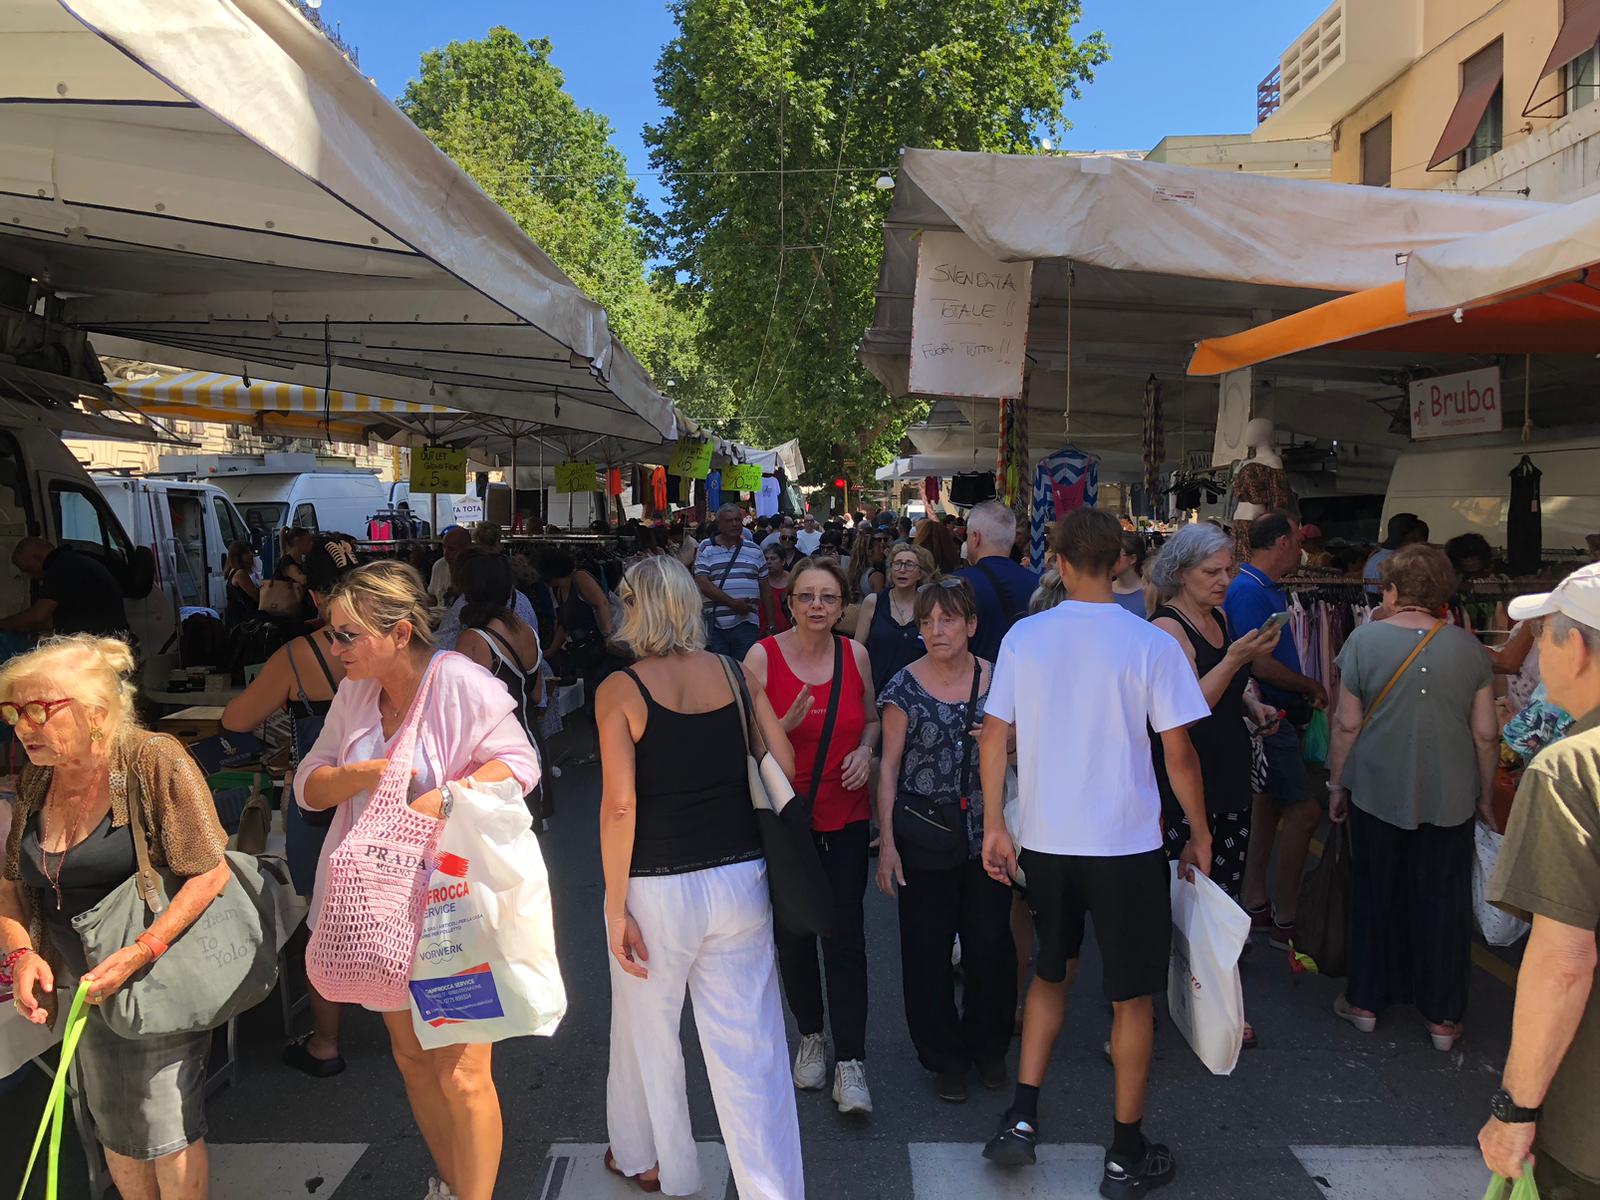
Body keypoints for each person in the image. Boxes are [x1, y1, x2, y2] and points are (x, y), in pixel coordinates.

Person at [978, 508, 1212, 1196]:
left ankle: (1021, 1117)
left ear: (1054, 559)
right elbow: (1179, 755)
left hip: (1047, 840)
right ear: (1119, 562)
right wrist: (1198, 830)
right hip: (1126, 843)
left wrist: (996, 822)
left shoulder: (1027, 637)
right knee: (1130, 1000)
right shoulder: (1150, 644)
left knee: (1050, 976)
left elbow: (994, 736)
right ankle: (1124, 1152)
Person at [295, 561, 540, 1200]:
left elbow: (520, 765)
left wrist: (450, 797)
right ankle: (454, 1184)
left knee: (461, 1070)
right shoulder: (353, 695)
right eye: (331, 633)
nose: (333, 647)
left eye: (347, 635)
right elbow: (309, 785)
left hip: (449, 906)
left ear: (400, 632)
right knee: (410, 1059)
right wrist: (366, 773)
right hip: (376, 907)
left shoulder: (457, 680)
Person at [596, 557, 804, 1198]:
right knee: (752, 1045)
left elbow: (620, 805)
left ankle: (663, 1166)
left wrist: (613, 905)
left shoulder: (620, 689)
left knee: (649, 1030)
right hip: (740, 875)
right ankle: (770, 1188)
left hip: (657, 883)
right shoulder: (736, 675)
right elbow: (783, 764)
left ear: (636, 607)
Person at [0, 635, 232, 1199]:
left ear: (96, 713)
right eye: (12, 711)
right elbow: (10, 883)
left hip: (152, 974)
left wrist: (142, 949)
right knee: (113, 1123)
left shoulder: (154, 758)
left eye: (38, 710)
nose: (22, 726)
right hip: (80, 982)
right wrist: (22, 952)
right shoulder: (36, 778)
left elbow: (210, 871)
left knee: (163, 1127)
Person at [1325, 544, 1497, 1052]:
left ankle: (1365, 1003)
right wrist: (1486, 797)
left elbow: (1346, 723)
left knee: (1375, 892)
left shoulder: (1363, 640)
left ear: (1392, 590)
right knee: (1444, 901)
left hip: (1376, 788)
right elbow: (1486, 734)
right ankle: (1443, 1018)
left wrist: (1337, 785)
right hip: (1451, 794)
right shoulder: (1468, 647)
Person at [1479, 563, 1600, 1199]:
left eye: (1544, 635)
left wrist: (1515, 1110)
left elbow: (1563, 961)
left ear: (1575, 647)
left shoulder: (1571, 767)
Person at [744, 556, 880, 1115]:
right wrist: (787, 727)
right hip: (786, 819)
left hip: (846, 815)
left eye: (828, 596)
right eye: (807, 596)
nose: (818, 606)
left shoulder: (856, 655)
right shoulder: (761, 657)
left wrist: (867, 750)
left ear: (843, 603)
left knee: (845, 935)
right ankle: (811, 1035)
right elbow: (747, 744)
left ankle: (851, 1059)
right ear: (790, 602)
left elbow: (870, 717)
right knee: (796, 932)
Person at [221, 534, 358, 1078]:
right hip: (387, 798)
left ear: (318, 593)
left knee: (323, 923)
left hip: (320, 804)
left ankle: (325, 1042)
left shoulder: (301, 654)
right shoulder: (394, 643)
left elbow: (236, 720)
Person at [875, 578, 1014, 1102]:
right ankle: (944, 1058)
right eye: (928, 621)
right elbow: (887, 768)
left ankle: (989, 1047)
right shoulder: (903, 686)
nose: (937, 630)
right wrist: (886, 843)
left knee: (990, 946)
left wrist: (1009, 740)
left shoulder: (998, 681)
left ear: (972, 626)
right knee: (927, 952)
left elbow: (1026, 751)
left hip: (988, 835)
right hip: (925, 837)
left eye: (948, 620)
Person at [1148, 523, 1280, 1048]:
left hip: (1227, 765)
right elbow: (1186, 708)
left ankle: (1213, 997)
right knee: (1182, 889)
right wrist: (1235, 660)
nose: (1224, 581)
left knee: (1220, 891)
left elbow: (1230, 691)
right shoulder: (1166, 629)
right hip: (1186, 773)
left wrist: (1253, 703)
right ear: (1180, 573)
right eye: (1212, 572)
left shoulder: (1220, 617)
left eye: (1227, 570)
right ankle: (1172, 995)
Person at [1223, 511, 1328, 950]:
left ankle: (1256, 901)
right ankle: (1286, 916)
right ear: (1282, 541)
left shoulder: (1263, 588)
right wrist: (1310, 685)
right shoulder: (1248, 590)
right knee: (1304, 813)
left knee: (1266, 807)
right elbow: (1260, 662)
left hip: (1277, 715)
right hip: (1272, 717)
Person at [453, 550, 550, 826]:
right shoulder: (526, 630)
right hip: (529, 743)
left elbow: (465, 711)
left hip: (492, 759)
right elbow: (537, 694)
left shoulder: (473, 640)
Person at [955, 501, 1038, 664]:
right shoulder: (1039, 585)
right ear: (1013, 538)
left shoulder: (956, 584)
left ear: (975, 538)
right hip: (1023, 684)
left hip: (972, 684)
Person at [1, 537, 129, 637]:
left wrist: (2, 624)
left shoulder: (61, 567)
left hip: (98, 648)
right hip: (107, 642)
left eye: (28, 569)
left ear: (38, 558)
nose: (31, 576)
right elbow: (51, 621)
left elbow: (38, 616)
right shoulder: (75, 561)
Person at [694, 503, 773, 662]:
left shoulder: (755, 550)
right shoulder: (706, 547)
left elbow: (765, 588)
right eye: (729, 520)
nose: (735, 524)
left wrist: (771, 625)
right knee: (719, 674)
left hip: (747, 623)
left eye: (738, 519)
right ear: (719, 524)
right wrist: (733, 604)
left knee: (746, 670)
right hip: (715, 624)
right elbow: (702, 582)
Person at [853, 541, 931, 695]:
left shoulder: (929, 606)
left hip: (916, 695)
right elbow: (856, 651)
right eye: (897, 564)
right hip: (875, 692)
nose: (902, 570)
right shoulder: (873, 602)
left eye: (909, 565)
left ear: (920, 573)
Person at [540, 546, 613, 681]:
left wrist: (607, 637)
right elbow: (564, 624)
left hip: (600, 649)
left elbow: (602, 604)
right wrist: (551, 650)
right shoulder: (559, 591)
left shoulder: (580, 578)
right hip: (584, 652)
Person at [1364, 512, 1429, 594]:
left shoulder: (1374, 557)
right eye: (1419, 541)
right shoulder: (1400, 562)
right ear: (1409, 537)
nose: (1422, 546)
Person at [428, 527, 472, 606]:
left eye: (451, 549)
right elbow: (433, 596)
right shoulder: (439, 565)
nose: (445, 552)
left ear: (465, 549)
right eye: (444, 547)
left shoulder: (476, 570)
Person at [1112, 531, 1151, 618]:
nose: (1110, 559)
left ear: (1133, 559)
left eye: (1116, 555)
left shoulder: (1149, 593)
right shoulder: (1103, 590)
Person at [223, 540, 261, 627]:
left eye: (250, 551)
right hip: (243, 619)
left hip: (236, 617)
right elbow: (257, 597)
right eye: (247, 552)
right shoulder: (240, 573)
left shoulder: (233, 572)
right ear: (238, 556)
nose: (251, 554)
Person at [847, 528, 888, 601]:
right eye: (879, 548)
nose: (882, 552)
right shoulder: (877, 576)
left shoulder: (855, 571)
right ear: (869, 551)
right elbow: (881, 603)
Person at [763, 543, 793, 634]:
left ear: (783, 561)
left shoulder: (792, 580)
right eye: (766, 559)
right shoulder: (761, 581)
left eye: (773, 558)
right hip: (764, 630)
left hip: (789, 630)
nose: (768, 562)